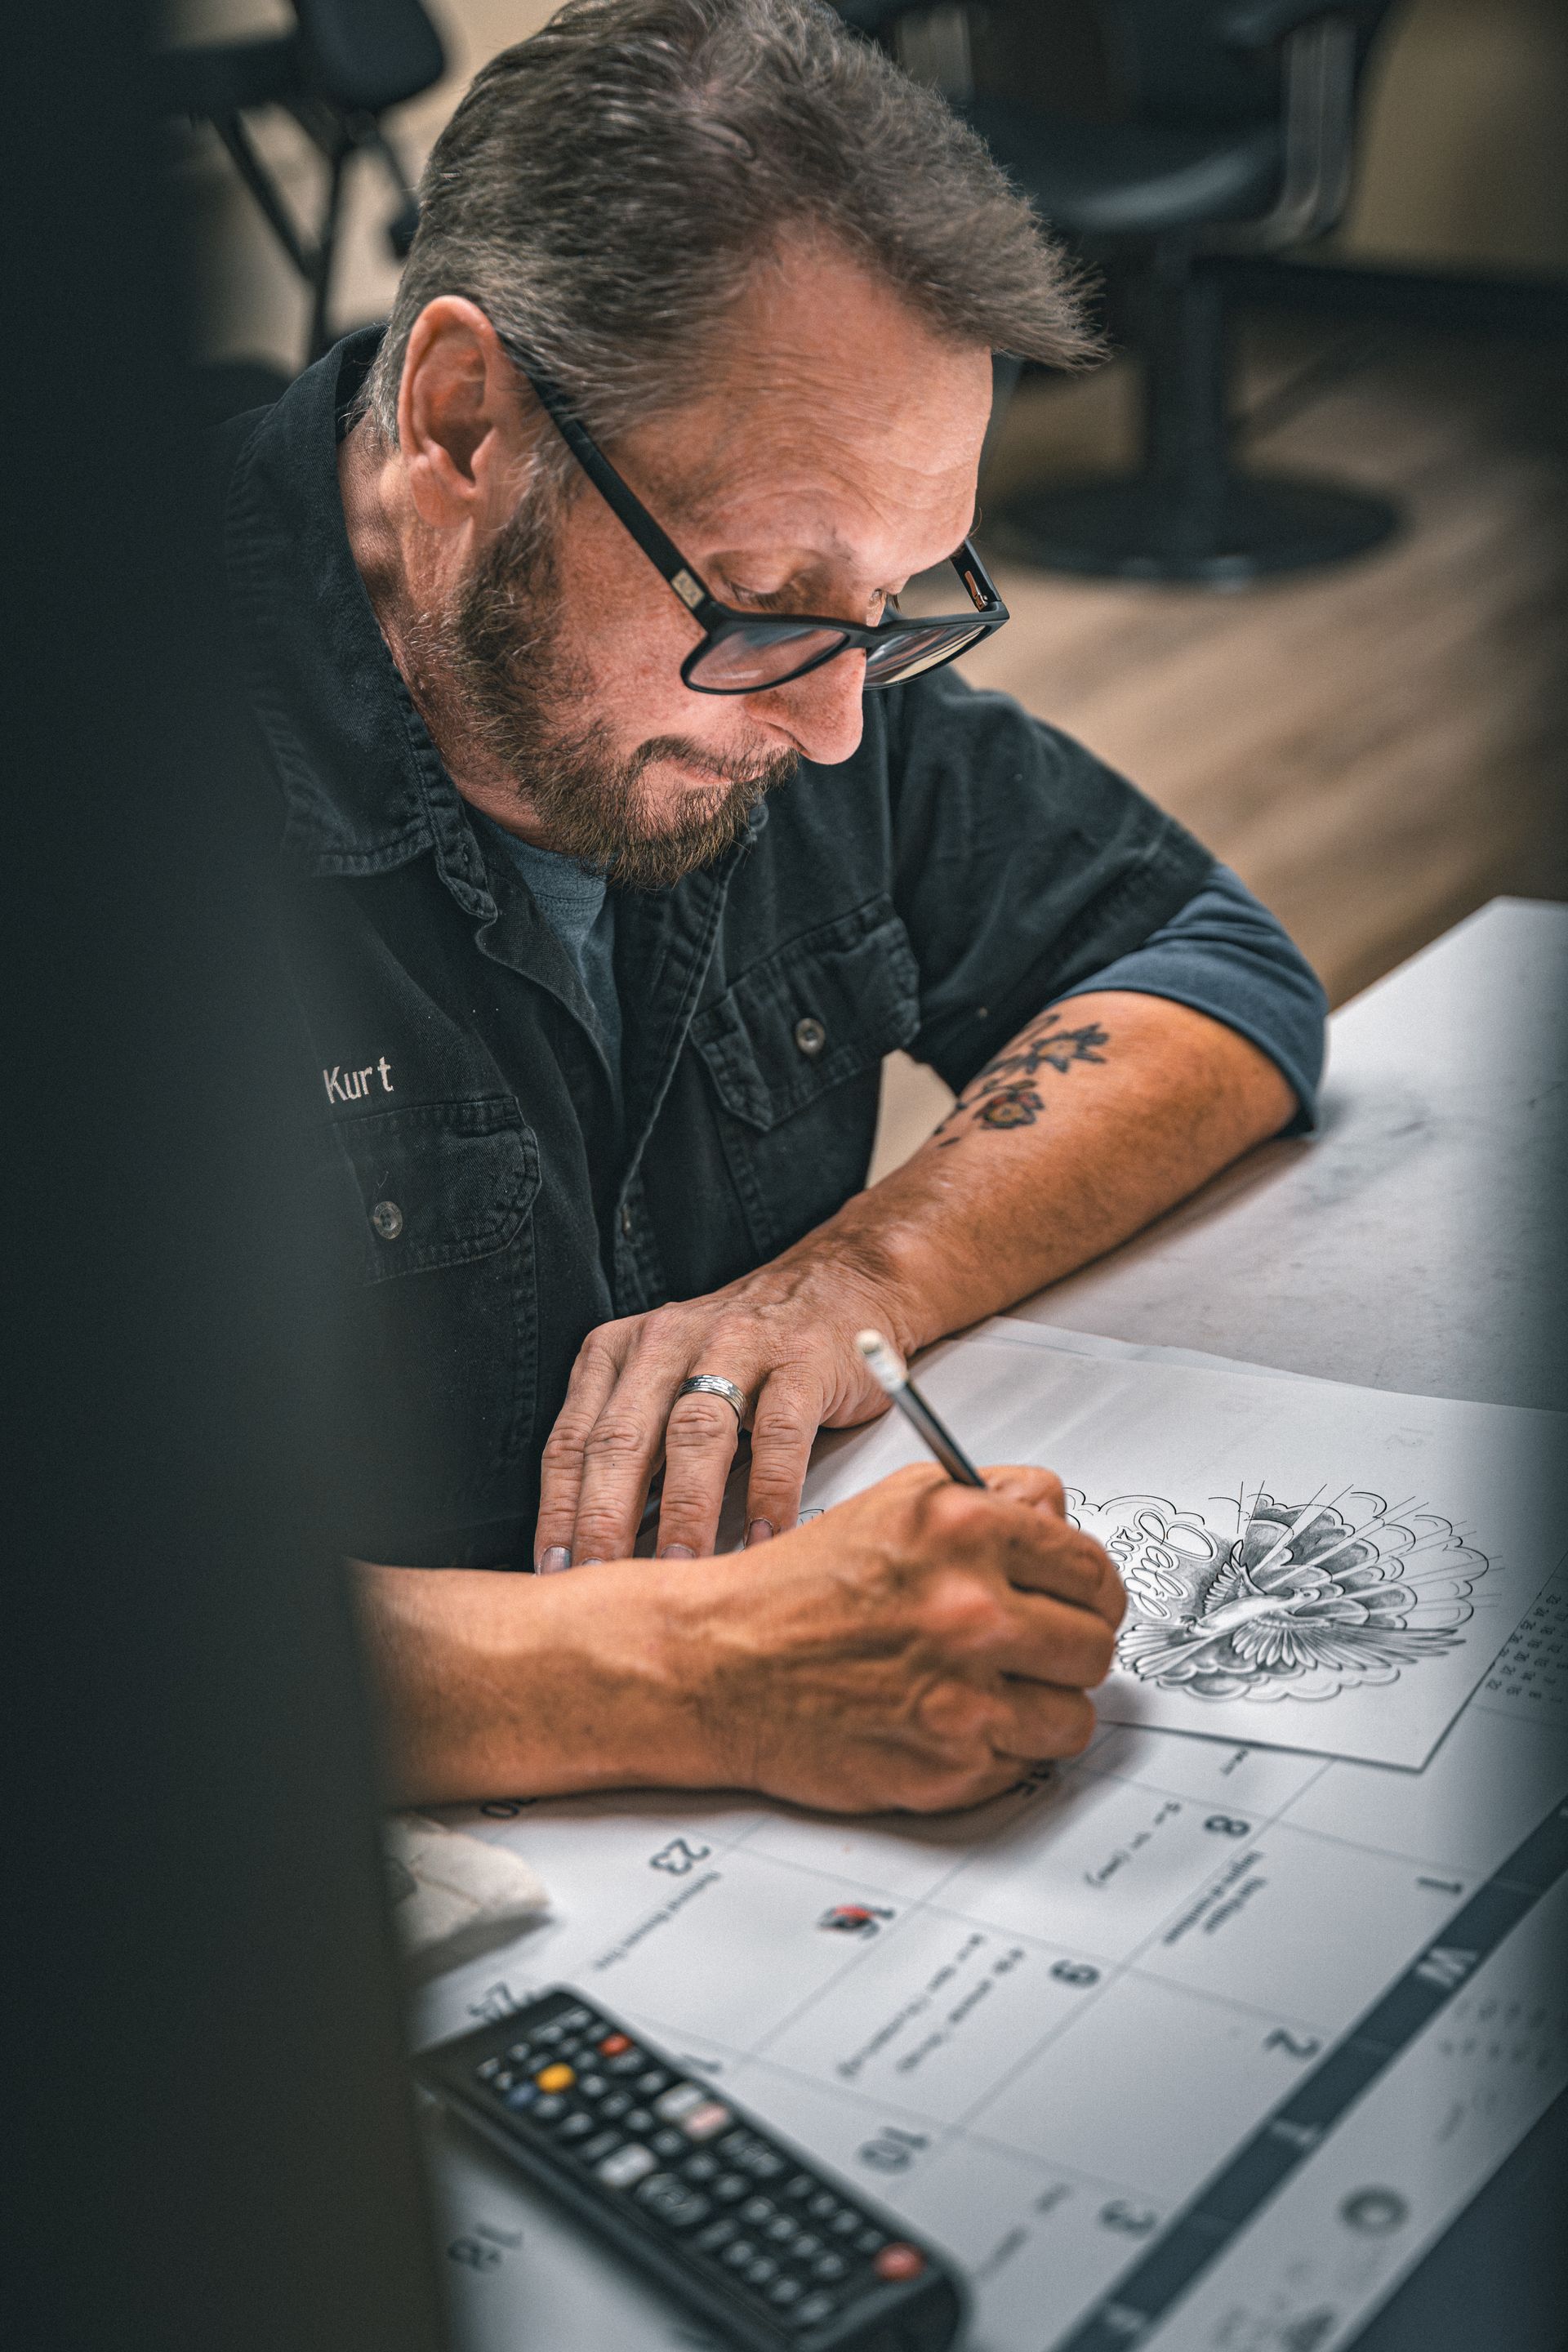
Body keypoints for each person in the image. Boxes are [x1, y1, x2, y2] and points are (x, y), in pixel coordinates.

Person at [216, 0, 1326, 1814]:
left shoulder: (808, 664)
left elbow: (1211, 968)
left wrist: (857, 1277)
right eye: (766, 600)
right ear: (460, 418)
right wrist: (700, 1671)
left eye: (895, 610)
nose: (830, 729)